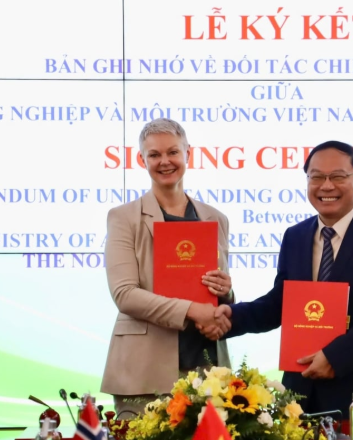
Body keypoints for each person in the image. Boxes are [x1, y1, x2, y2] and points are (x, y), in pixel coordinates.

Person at [202, 140, 353, 419]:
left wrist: (335, 355)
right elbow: (281, 303)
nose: (326, 186)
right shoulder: (296, 236)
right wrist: (233, 316)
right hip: (300, 394)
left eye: (337, 176)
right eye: (316, 177)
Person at [101, 118, 234, 418]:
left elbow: (219, 295)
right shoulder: (123, 217)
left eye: (173, 152)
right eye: (154, 154)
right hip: (144, 371)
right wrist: (193, 310)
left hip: (207, 369)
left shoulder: (216, 218)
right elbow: (125, 294)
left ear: (188, 154)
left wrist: (226, 292)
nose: (165, 161)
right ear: (142, 159)